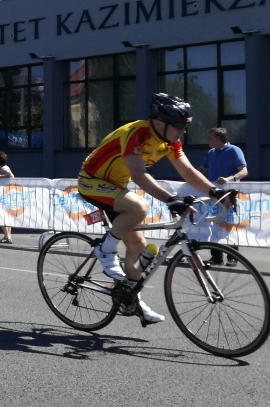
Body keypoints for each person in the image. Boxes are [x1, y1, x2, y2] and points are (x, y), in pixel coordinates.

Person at [77, 93, 237, 325]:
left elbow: (189, 172)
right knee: (139, 207)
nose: (184, 130)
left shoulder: (170, 141)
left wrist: (216, 193)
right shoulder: (136, 133)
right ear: (160, 122)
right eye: (180, 125)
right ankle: (105, 250)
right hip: (91, 180)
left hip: (115, 186)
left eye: (186, 125)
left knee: (140, 248)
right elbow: (140, 175)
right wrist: (170, 199)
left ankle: (131, 299)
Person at [198, 127, 248, 266]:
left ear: (219, 138)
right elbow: (201, 170)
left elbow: (244, 171)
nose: (207, 140)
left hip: (228, 194)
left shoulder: (234, 151)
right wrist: (189, 181)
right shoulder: (211, 153)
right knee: (213, 224)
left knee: (228, 224)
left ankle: (232, 257)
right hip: (213, 193)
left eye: (210, 137)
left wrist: (229, 179)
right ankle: (216, 257)